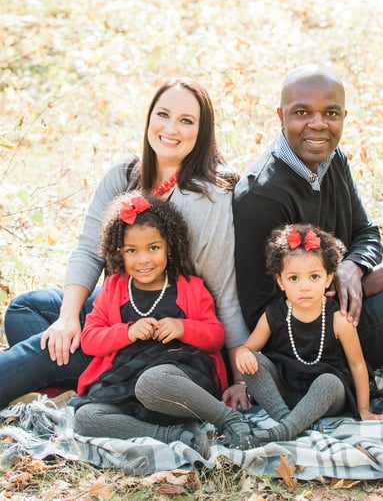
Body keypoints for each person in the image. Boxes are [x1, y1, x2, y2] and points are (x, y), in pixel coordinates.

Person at [2, 77, 249, 410]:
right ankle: (80, 383)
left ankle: (82, 377)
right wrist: (68, 319)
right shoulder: (124, 174)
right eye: (163, 114)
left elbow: (224, 292)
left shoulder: (209, 195)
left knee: (43, 352)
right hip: (115, 307)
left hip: (161, 336)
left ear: (202, 132)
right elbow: (89, 251)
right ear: (149, 118)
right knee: (25, 310)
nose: (171, 128)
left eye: (186, 121)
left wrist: (239, 379)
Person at [233, 64, 383, 370]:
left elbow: (367, 233)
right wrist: (345, 288)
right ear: (281, 117)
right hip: (320, 342)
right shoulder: (262, 196)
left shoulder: (333, 157)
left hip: (352, 298)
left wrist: (354, 267)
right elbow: (263, 314)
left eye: (331, 113)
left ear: (344, 117)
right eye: (302, 112)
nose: (318, 124)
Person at [73, 191, 256, 452]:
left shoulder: (190, 287)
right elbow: (90, 340)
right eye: (132, 251)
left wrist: (184, 328)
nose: (143, 259)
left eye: (153, 248)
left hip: (180, 378)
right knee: (86, 417)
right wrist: (128, 332)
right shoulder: (114, 288)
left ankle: (229, 419)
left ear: (169, 246)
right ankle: (174, 436)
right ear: (119, 253)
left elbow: (215, 335)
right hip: (127, 381)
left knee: (153, 381)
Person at [235, 223, 383, 443]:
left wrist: (364, 409)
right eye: (294, 278)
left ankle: (284, 430)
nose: (304, 287)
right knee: (253, 362)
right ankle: (286, 421)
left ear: (328, 278)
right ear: (280, 281)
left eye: (314, 277)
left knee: (329, 381)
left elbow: (357, 364)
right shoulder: (274, 315)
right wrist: (243, 354)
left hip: (327, 396)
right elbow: (247, 348)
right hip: (286, 391)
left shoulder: (338, 319)